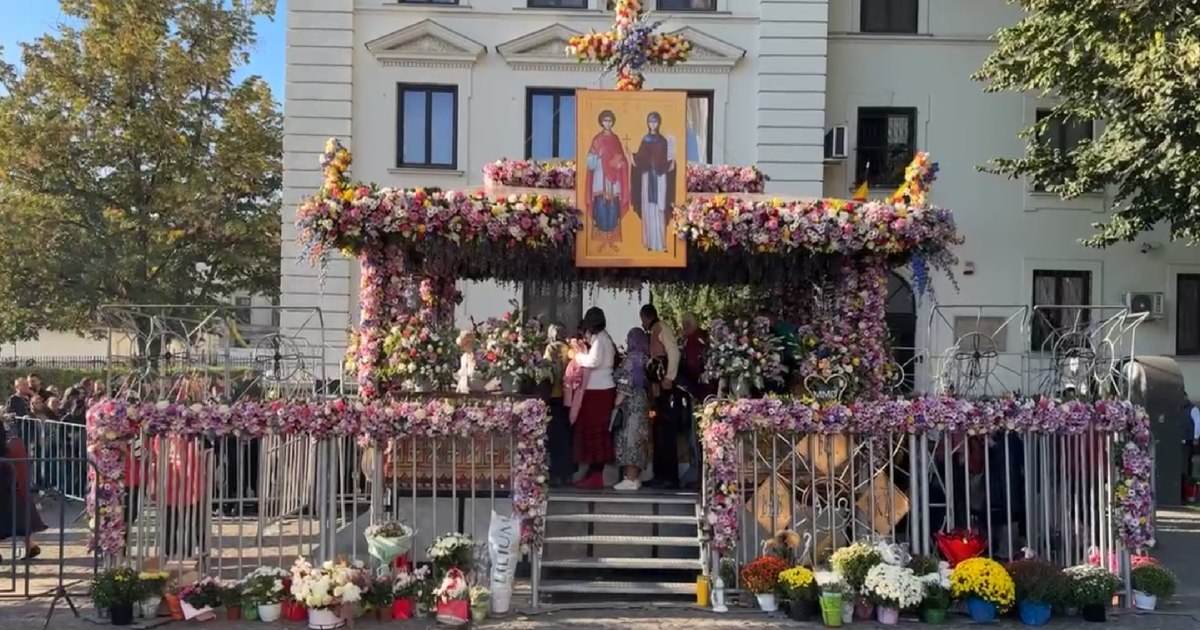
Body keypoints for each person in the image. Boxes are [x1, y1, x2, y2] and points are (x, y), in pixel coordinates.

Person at [570, 307, 617, 490]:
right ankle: (592, 471)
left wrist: (578, 356)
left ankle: (596, 474)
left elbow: (594, 361)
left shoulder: (601, 339)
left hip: (599, 389)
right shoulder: (604, 338)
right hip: (600, 388)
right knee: (594, 429)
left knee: (594, 430)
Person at [641, 304, 682, 488]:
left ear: (646, 317)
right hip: (658, 386)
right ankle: (660, 473)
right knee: (658, 428)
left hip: (665, 386)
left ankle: (670, 476)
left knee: (665, 428)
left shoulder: (662, 328)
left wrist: (669, 377)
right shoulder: (655, 330)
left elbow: (673, 352)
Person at [630, 111, 677, 253]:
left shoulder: (663, 141)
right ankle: (649, 242)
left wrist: (671, 162)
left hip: (660, 177)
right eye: (651, 122)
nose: (653, 124)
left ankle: (661, 244)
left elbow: (667, 160)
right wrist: (631, 155)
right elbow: (640, 159)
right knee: (648, 209)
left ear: (659, 123)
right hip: (647, 178)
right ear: (647, 123)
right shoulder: (645, 140)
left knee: (660, 208)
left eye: (655, 121)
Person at [584, 110, 630, 252]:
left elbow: (622, 158)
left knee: (612, 209)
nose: (607, 123)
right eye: (605, 120)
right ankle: (602, 241)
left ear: (613, 122)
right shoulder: (597, 140)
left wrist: (620, 163)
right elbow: (589, 162)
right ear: (601, 122)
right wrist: (598, 157)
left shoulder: (615, 139)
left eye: (610, 120)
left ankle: (611, 241)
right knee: (601, 208)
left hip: (614, 179)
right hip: (600, 176)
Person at [0, 421, 47, 561]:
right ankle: (30, 545)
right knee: (18, 514)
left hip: (5, 480)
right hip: (13, 482)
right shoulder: (12, 443)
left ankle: (30, 546)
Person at [613, 328, 651, 491]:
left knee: (630, 439)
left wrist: (616, 404)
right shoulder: (646, 358)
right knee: (639, 439)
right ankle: (635, 478)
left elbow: (625, 384)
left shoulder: (631, 359)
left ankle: (630, 478)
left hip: (631, 404)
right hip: (643, 401)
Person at [543, 325, 574, 487]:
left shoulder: (551, 348)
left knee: (553, 438)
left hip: (553, 396)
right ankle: (566, 474)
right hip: (567, 396)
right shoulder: (569, 348)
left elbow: (546, 371)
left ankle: (554, 474)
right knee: (565, 437)